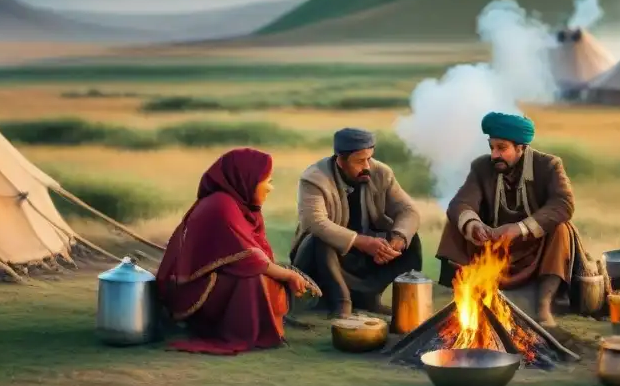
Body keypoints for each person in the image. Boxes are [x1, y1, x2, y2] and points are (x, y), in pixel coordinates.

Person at [437, 111, 595, 327]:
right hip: (493, 243)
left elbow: (563, 204)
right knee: (457, 222)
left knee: (561, 229)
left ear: (521, 148)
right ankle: (461, 296)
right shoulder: (482, 167)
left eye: (502, 148)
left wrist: (520, 228)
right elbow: (461, 203)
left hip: (535, 245)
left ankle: (543, 306)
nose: (494, 155)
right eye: (492, 147)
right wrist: (473, 225)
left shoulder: (548, 165)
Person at [156, 148, 313, 355]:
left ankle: (258, 326)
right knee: (253, 276)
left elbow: (253, 255)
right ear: (245, 178)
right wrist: (287, 274)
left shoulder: (241, 206)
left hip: (216, 279)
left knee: (266, 275)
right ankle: (237, 331)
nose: (270, 188)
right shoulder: (221, 205)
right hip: (197, 292)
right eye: (267, 181)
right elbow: (248, 257)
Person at [290, 127, 423, 318]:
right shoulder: (314, 178)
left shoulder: (381, 172)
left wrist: (397, 239)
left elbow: (408, 210)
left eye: (369, 158)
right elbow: (314, 222)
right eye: (360, 161)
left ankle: (372, 300)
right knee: (320, 240)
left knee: (410, 238)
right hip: (321, 258)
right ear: (341, 160)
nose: (367, 166)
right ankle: (341, 303)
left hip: (365, 255)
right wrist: (361, 242)